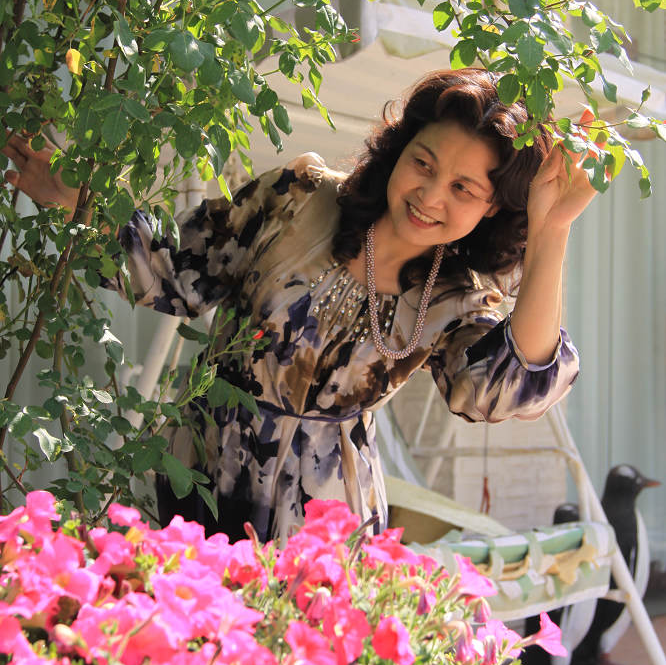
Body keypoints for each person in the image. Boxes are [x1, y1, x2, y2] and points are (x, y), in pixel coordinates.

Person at [3, 68, 596, 544]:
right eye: (423, 163)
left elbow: (507, 388)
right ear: (401, 150)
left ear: (491, 207)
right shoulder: (302, 196)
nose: (429, 194)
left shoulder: (457, 297)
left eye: (463, 188)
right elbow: (178, 269)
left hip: (324, 517)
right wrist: (79, 202)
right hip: (203, 472)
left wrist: (553, 229)